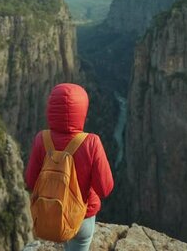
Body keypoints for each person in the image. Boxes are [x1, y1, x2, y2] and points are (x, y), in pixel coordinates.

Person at [25, 83, 114, 250]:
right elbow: (104, 189)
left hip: (50, 214)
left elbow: (30, 181)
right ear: (82, 109)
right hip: (82, 217)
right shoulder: (91, 142)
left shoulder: (41, 139)